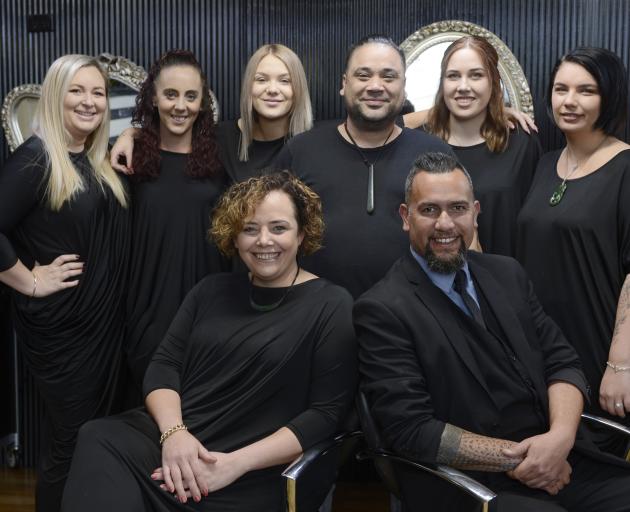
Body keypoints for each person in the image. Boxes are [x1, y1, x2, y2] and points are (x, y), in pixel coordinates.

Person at [61, 171, 357, 512]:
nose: (263, 240)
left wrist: (235, 464)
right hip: (180, 442)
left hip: (254, 468)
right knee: (98, 437)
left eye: (278, 228)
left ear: (302, 233)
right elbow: (164, 366)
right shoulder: (211, 290)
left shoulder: (332, 305)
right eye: (250, 228)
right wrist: (174, 435)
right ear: (234, 236)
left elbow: (325, 415)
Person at [355, 151, 630, 512]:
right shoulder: (382, 309)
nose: (445, 224)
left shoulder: (508, 274)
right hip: (469, 483)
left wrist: (559, 440)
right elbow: (412, 430)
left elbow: (561, 362)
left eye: (457, 208)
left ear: (476, 212)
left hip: (558, 453)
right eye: (429, 210)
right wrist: (523, 460)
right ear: (406, 217)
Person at [0, 55, 130, 511]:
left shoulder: (92, 159)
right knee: (69, 444)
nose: (89, 101)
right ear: (56, 96)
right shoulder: (36, 158)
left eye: (98, 92)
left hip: (100, 327)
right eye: (77, 90)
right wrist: (29, 280)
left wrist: (131, 132)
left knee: (91, 440)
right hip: (64, 332)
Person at [275, 34, 451, 298]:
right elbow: (270, 236)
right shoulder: (301, 151)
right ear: (345, 84)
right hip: (317, 318)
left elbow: (465, 239)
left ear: (403, 88)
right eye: (363, 75)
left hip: (413, 319)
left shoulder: (434, 154)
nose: (376, 86)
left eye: (389, 77)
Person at [517, 47, 630, 455]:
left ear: (610, 96)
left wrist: (621, 364)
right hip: (541, 345)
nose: (569, 100)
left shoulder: (625, 166)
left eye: (586, 90)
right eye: (560, 88)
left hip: (599, 347)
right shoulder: (545, 163)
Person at [117, 50, 228, 397]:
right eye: (170, 94)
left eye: (191, 96)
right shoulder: (130, 162)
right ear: (153, 97)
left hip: (208, 317)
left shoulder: (221, 160)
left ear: (202, 102)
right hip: (146, 316)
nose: (181, 106)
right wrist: (130, 134)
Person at [404, 36, 541, 256]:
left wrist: (494, 110)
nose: (463, 86)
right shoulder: (418, 145)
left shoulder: (521, 143)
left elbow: (534, 227)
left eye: (476, 75)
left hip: (503, 281)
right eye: (453, 76)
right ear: (442, 83)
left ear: (493, 82)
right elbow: (380, 126)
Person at [111, 44, 313, 183]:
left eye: (284, 81)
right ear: (248, 88)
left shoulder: (313, 145)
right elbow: (172, 141)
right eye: (261, 79)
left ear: (298, 89)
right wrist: (131, 133)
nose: (272, 89)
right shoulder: (220, 137)